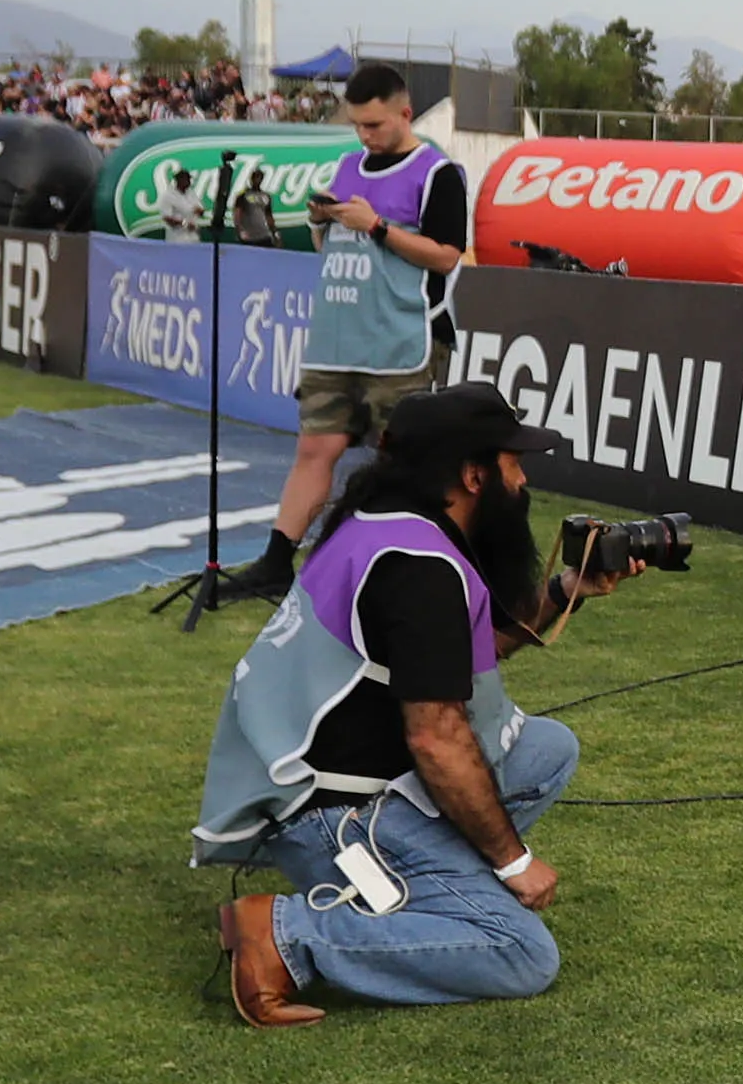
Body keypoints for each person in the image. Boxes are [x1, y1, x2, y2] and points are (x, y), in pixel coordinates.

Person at [193, 384, 633, 1023]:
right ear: (473, 474)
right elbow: (435, 737)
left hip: (311, 782)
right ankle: (284, 935)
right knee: (520, 952)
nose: (524, 477)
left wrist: (569, 588)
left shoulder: (383, 525)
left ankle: (424, 884)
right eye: (513, 462)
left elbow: (455, 650)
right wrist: (514, 862)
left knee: (547, 750)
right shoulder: (419, 564)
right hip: (328, 815)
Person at [230, 66, 473, 604]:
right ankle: (275, 563)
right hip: (337, 338)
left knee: (403, 461)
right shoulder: (345, 167)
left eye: (375, 124)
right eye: (358, 125)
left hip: (403, 341)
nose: (365, 135)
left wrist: (379, 226)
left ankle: (411, 569)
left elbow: (447, 255)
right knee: (315, 448)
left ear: (405, 115)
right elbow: (331, 252)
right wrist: (324, 221)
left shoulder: (438, 174)